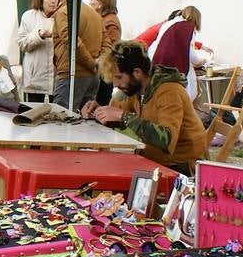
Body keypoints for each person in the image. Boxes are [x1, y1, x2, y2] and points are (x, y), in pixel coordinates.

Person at [82, 40, 207, 175]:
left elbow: (166, 140)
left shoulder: (169, 91)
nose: (116, 84)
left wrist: (123, 116)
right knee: (100, 169)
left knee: (108, 174)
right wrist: (98, 112)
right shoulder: (136, 89)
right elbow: (122, 118)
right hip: (153, 161)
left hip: (181, 167)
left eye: (119, 77)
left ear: (137, 72)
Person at [50, 0, 102, 110]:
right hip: (92, 77)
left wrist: (91, 63)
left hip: (72, 74)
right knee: (85, 123)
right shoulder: (94, 14)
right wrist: (98, 63)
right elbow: (106, 42)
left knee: (60, 121)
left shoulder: (64, 12)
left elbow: (72, 42)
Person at [149, 5, 211, 100]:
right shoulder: (187, 27)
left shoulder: (168, 24)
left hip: (156, 67)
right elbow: (193, 58)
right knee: (190, 92)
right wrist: (204, 61)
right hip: (174, 72)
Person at [16, 0, 59, 103]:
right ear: (40, 0)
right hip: (35, 77)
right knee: (32, 113)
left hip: (56, 77)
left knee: (55, 114)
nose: (53, 1)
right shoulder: (28, 16)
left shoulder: (61, 17)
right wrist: (39, 35)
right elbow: (22, 44)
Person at [89, 0, 122, 106]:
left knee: (101, 102)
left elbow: (113, 46)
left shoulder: (110, 21)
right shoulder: (102, 19)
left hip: (105, 69)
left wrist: (100, 59)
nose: (90, 2)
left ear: (101, 2)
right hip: (102, 68)